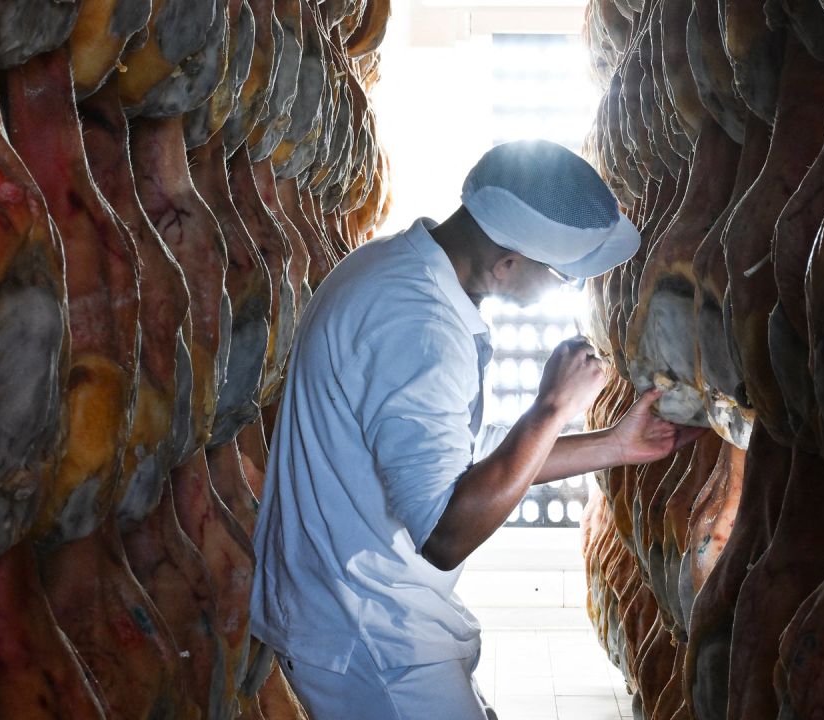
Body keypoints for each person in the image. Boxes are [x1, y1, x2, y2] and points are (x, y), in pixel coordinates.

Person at [250, 139, 702, 719]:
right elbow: (444, 531)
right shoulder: (420, 329)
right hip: (367, 630)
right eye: (561, 276)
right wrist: (551, 408)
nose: (566, 290)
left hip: (358, 609)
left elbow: (463, 457)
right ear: (507, 263)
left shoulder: (396, 268)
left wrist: (614, 444)